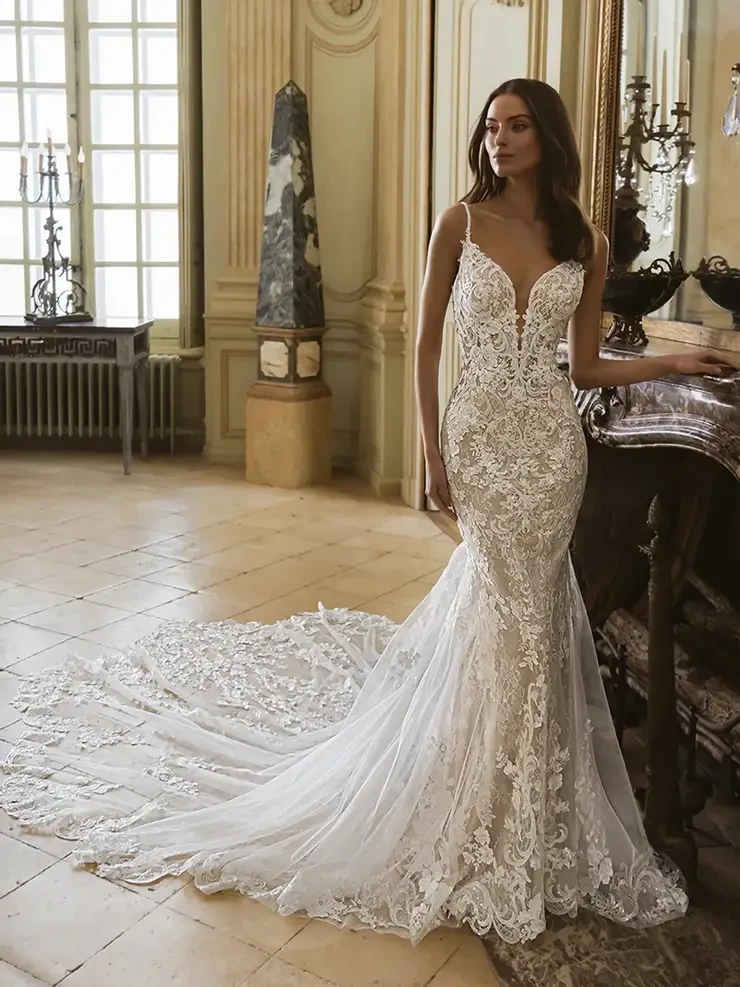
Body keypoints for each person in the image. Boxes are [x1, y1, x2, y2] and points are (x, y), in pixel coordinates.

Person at [3, 79, 737, 947]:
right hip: (479, 441)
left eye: (517, 125)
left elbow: (582, 367)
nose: (500, 139)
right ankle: (473, 803)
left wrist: (675, 370)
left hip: (549, 453)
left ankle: (520, 807)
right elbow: (426, 345)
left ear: (548, 136)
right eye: (491, 127)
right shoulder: (459, 224)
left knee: (531, 620)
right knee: (507, 611)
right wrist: (431, 452)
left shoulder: (587, 239)